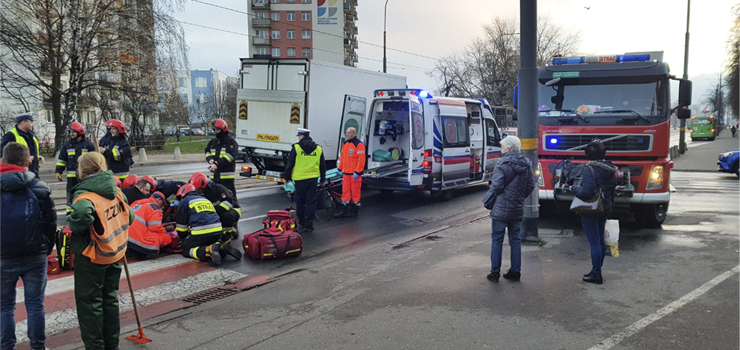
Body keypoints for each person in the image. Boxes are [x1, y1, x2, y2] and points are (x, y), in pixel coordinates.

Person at [68, 152, 133, 350]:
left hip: (92, 257)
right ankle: (112, 345)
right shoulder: (115, 191)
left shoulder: (85, 194)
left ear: (83, 170)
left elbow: (80, 217)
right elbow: (129, 217)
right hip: (114, 254)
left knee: (90, 305)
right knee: (110, 301)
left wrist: (75, 222)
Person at [0, 142, 56, 350]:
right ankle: (38, 347)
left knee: (4, 306)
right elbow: (51, 224)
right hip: (35, 255)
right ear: (27, 162)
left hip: (3, 256)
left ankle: (6, 346)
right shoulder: (39, 188)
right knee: (34, 305)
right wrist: (46, 248)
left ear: (3, 161)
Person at [484, 136, 535, 283]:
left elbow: (497, 186)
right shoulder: (527, 164)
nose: (502, 150)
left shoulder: (502, 162)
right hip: (517, 207)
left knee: (497, 239)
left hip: (500, 207)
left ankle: (494, 273)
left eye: (503, 147)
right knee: (515, 240)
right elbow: (530, 185)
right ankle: (515, 271)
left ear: (509, 148)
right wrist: (519, 196)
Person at [567, 141, 617, 285]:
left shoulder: (590, 169)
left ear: (587, 155)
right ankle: (597, 270)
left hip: (591, 210)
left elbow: (586, 192)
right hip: (604, 207)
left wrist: (573, 189)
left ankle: (596, 273)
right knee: (600, 241)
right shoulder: (610, 168)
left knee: (594, 243)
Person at [283, 128, 326, 233]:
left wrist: (286, 177)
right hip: (313, 179)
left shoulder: (296, 148)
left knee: (300, 202)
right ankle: (309, 225)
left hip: (299, 179)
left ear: (302, 136)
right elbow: (322, 165)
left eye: (299, 136)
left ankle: (301, 222)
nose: (298, 138)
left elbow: (290, 164)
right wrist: (323, 180)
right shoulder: (318, 148)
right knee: (311, 202)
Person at [174, 184, 224, 266]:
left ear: (182, 193)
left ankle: (207, 250)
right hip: (217, 231)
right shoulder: (205, 199)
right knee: (208, 242)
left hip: (201, 233)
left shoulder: (185, 201)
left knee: (187, 250)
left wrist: (183, 238)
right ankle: (220, 248)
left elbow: (182, 226)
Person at [189, 172, 242, 246]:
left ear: (203, 186)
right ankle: (231, 230)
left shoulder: (218, 188)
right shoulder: (201, 193)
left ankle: (226, 237)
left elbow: (228, 203)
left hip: (233, 210)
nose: (196, 191)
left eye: (198, 189)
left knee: (226, 216)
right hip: (216, 212)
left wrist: (212, 212)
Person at [55, 121, 95, 215]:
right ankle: (70, 212)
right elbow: (62, 160)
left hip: (85, 176)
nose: (71, 134)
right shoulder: (67, 145)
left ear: (80, 132)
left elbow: (94, 160)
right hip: (71, 177)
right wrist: (58, 171)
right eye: (70, 132)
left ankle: (84, 210)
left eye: (73, 132)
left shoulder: (88, 145)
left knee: (84, 193)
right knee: (70, 194)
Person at [127, 192, 178, 259]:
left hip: (125, 236)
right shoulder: (154, 208)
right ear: (159, 199)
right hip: (137, 239)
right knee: (166, 237)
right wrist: (165, 230)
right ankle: (149, 252)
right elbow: (154, 228)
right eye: (162, 203)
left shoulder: (137, 203)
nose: (161, 206)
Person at [335, 127, 366, 218]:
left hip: (354, 174)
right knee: (345, 192)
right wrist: (340, 168)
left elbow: (361, 160)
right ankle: (344, 210)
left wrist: (358, 171)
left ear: (354, 133)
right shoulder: (345, 144)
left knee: (355, 192)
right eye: (347, 132)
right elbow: (343, 158)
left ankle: (354, 209)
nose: (347, 134)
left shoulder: (359, 144)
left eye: (349, 133)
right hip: (346, 173)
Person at [204, 119, 238, 196]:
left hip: (226, 179)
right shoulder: (213, 142)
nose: (216, 132)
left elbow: (230, 156)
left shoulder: (231, 142)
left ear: (223, 129)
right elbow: (207, 151)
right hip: (215, 178)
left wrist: (217, 164)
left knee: (230, 198)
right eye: (214, 130)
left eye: (217, 130)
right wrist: (210, 160)